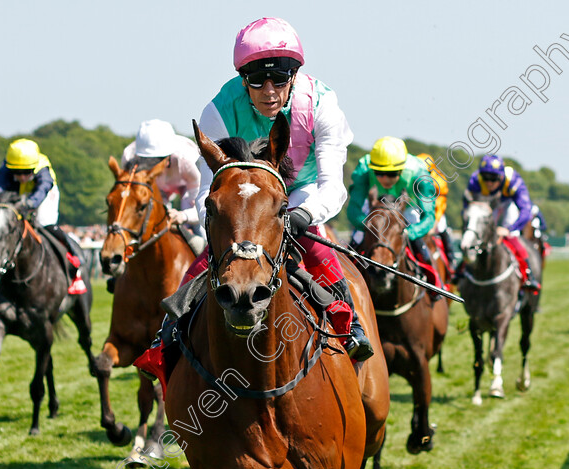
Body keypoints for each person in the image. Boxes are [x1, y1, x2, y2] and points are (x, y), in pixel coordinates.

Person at [144, 17, 371, 366]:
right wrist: (227, 225)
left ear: (293, 76)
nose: (269, 90)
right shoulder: (217, 111)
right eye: (256, 80)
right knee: (208, 261)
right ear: (242, 79)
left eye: (279, 78)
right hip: (242, 204)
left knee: (314, 244)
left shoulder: (322, 106)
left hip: (302, 194)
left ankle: (351, 323)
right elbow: (207, 192)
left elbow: (333, 188)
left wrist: (302, 216)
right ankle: (167, 335)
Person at [0, 138, 86, 294]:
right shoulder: (6, 168)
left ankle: (75, 261)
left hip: (44, 194)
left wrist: (29, 204)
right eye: (17, 172)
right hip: (19, 194)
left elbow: (42, 190)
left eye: (27, 172)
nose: (22, 177)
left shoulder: (43, 170)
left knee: (44, 223)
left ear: (34, 167)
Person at [347, 138, 438, 273]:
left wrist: (410, 233)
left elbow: (429, 217)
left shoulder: (419, 173)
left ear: (402, 170)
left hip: (407, 208)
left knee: (421, 248)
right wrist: (370, 226)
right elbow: (353, 211)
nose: (385, 179)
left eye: (391, 174)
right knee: (353, 246)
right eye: (378, 173)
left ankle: (434, 284)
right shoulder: (364, 169)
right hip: (374, 210)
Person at [461, 154, 541, 290]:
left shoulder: (514, 181)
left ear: (501, 177)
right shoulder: (475, 180)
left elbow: (526, 210)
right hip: (485, 206)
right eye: (485, 177)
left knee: (511, 235)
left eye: (493, 178)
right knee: (474, 236)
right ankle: (460, 270)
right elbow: (467, 205)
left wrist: (509, 229)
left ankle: (528, 274)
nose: (489, 182)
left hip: (508, 204)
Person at [418, 152, 457, 272]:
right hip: (418, 209)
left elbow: (440, 204)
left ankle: (451, 260)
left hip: (435, 211)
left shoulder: (439, 180)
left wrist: (433, 223)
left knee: (441, 227)